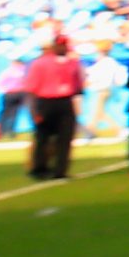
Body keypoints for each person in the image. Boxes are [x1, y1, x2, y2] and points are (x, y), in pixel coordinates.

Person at [24, 34, 85, 181]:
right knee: (43, 137)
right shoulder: (41, 63)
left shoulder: (72, 63)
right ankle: (41, 168)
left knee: (63, 138)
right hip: (46, 101)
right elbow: (32, 89)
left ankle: (59, 169)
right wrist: (34, 111)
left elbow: (78, 86)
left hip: (63, 100)